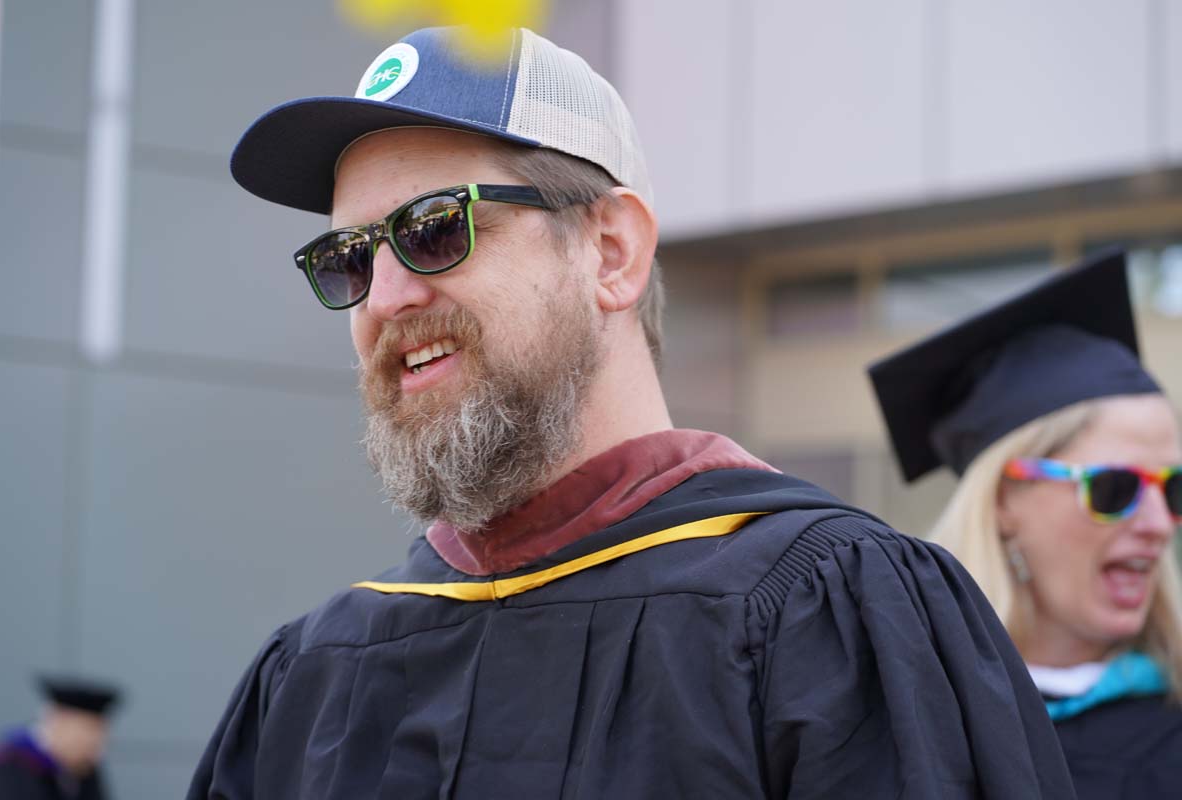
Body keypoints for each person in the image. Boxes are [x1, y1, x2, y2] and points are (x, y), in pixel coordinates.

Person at [188, 25, 1074, 799]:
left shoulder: (831, 612)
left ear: (611, 252)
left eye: (432, 228)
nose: (384, 296)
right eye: (348, 256)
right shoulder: (310, 677)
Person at [869, 250, 1182, 799]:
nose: (1160, 525)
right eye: (1116, 487)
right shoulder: (896, 726)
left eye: (1173, 487)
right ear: (1006, 499)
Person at [0, 676, 120, 800]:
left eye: (100, 735)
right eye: (88, 734)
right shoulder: (11, 767)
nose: (96, 747)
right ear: (59, 724)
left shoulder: (83, 766)